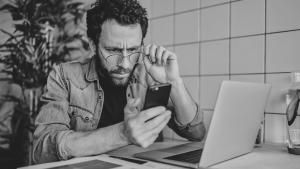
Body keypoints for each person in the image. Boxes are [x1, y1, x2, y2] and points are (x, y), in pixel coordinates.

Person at [33, 0, 206, 164]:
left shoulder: (150, 74)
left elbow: (196, 133)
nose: (124, 63)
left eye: (132, 49)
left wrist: (174, 83)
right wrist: (123, 134)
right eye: (113, 50)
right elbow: (42, 150)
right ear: (93, 44)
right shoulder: (64, 75)